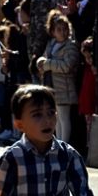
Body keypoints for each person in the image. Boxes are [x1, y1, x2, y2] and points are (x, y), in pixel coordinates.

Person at [37, 10, 79, 143]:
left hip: (64, 88)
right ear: (53, 31)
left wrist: (48, 64)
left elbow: (67, 66)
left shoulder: (70, 46)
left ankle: (64, 144)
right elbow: (44, 57)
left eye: (65, 29)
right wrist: (40, 62)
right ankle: (59, 142)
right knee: (57, 118)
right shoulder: (51, 44)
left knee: (64, 118)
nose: (62, 32)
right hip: (52, 87)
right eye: (59, 29)